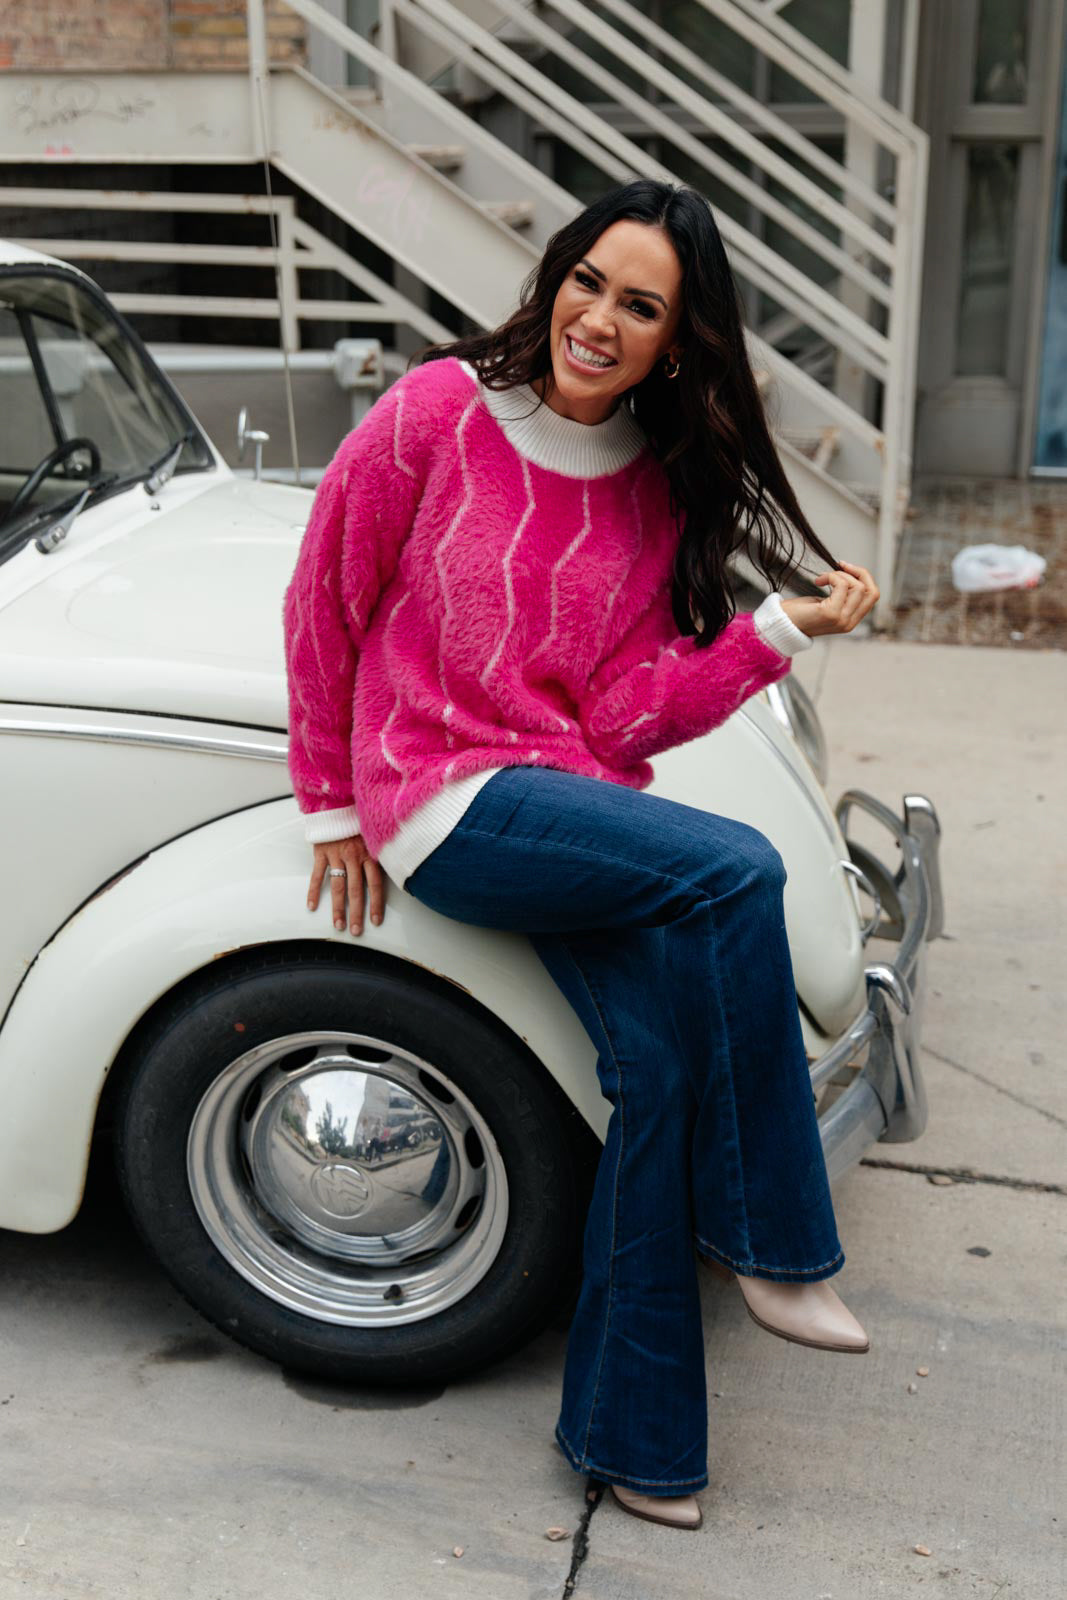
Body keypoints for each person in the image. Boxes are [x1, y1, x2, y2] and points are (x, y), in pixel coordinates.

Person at [282, 178, 879, 1532]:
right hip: (439, 799)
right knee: (738, 868)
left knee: (658, 1072)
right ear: (556, 276)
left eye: (642, 306)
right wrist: (327, 796)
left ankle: (635, 1442)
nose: (599, 320)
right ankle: (775, 1244)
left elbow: (622, 717)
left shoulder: (655, 498)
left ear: (680, 341)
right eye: (589, 282)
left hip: (563, 808)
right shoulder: (437, 411)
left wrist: (774, 631)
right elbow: (327, 592)